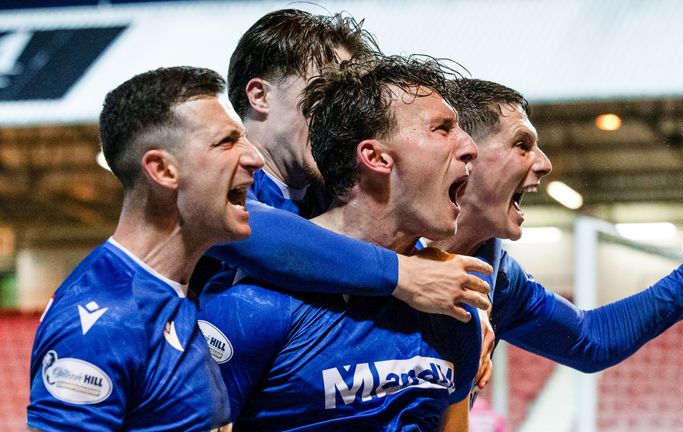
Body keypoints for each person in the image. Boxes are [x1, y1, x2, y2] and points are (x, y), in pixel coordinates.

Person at [429, 79, 683, 409]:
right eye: (522, 145)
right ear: (465, 154)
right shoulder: (382, 257)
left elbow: (591, 339)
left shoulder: (499, 280)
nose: (544, 164)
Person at [198, 56, 483, 431]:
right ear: (375, 157)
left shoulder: (454, 306)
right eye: (443, 128)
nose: (470, 147)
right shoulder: (252, 305)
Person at [194, 9, 492, 323]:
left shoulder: (334, 192)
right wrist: (401, 273)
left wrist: (477, 309)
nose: (336, 112)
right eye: (322, 89)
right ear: (260, 96)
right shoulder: (203, 171)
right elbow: (253, 231)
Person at [27, 66, 263, 431]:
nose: (254, 158)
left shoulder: (172, 292)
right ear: (164, 171)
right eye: (226, 142)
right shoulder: (102, 321)